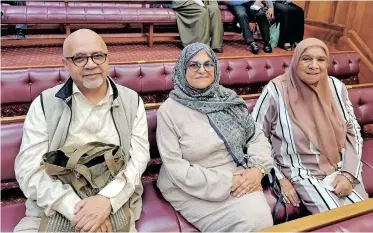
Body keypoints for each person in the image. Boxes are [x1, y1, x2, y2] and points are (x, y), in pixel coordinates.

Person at [14, 29, 150, 232]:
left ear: (107, 59)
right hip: (56, 198)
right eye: (79, 58)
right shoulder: (45, 104)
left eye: (97, 56)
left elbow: (138, 159)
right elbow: (29, 169)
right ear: (65, 64)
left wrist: (106, 201)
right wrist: (78, 211)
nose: (91, 64)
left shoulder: (131, 101)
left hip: (115, 195)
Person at [156, 42, 274, 232]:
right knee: (249, 223)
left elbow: (255, 136)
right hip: (189, 186)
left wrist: (258, 170)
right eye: (193, 65)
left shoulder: (228, 99)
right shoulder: (169, 111)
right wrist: (229, 182)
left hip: (239, 175)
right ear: (182, 69)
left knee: (259, 220)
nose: (202, 70)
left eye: (208, 64)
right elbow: (174, 166)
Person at [252, 38, 368, 214]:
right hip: (300, 171)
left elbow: (352, 132)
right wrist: (279, 178)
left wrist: (349, 174)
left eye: (321, 60)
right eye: (306, 59)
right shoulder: (276, 90)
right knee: (336, 218)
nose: (314, 65)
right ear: (296, 60)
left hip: (339, 164)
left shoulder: (336, 87)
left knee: (364, 214)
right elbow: (256, 136)